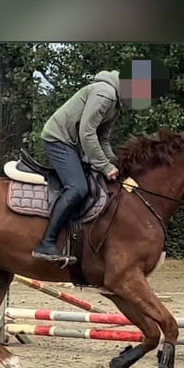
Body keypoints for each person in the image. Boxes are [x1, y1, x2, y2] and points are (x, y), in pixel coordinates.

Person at [31, 69, 122, 261]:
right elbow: (87, 132)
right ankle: (47, 243)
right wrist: (105, 166)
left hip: (73, 144)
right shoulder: (105, 94)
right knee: (78, 188)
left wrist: (115, 164)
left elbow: (102, 138)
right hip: (58, 139)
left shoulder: (116, 102)